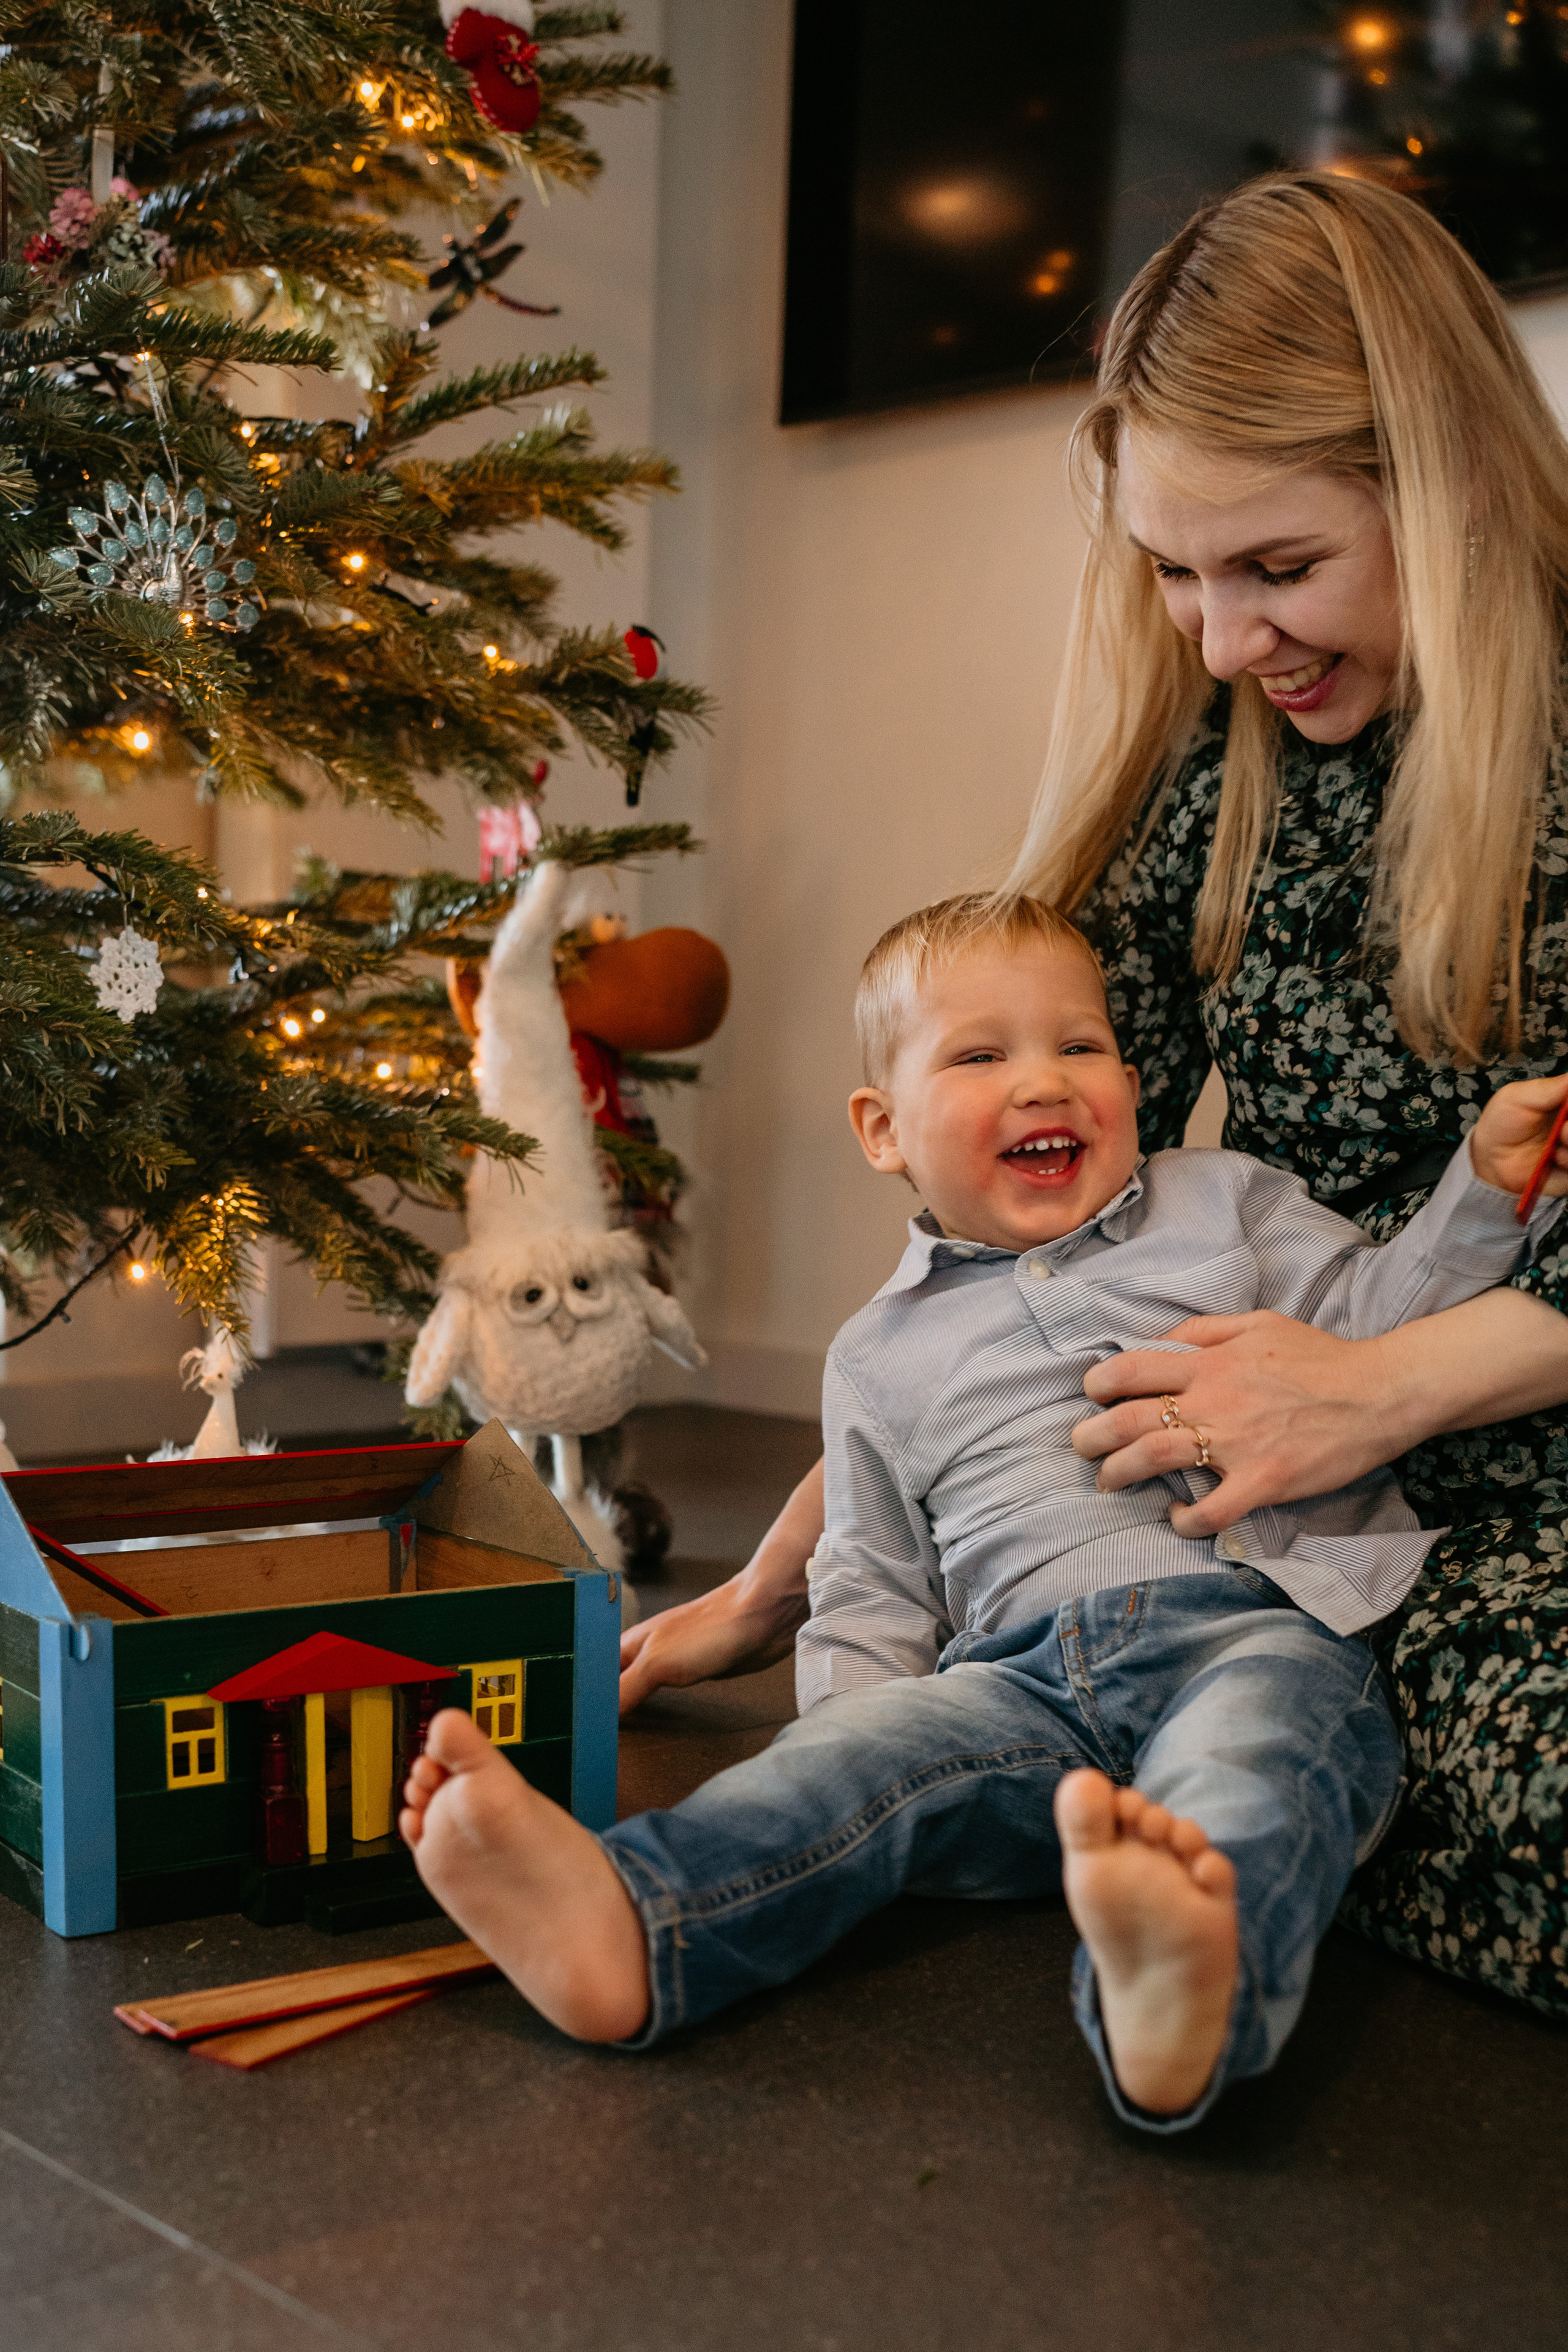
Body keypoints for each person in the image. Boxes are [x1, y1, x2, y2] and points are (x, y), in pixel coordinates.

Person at [618, 172, 1568, 2023]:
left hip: (1483, 1442)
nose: (1221, 640)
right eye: (1172, 572)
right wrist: (786, 1581)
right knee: (1242, 1712)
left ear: (1436, 491)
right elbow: (1009, 1248)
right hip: (1264, 1522)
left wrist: (1371, 1386)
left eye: (1278, 570)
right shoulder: (1218, 751)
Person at [401, 894, 1567, 2125]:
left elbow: (1385, 1311)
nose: (1041, 1084)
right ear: (880, 1127)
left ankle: (1174, 2004)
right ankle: (636, 1924)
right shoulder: (876, 1356)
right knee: (840, 1764)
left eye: (1078, 1046)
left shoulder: (1225, 1202)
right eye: (978, 1055)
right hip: (1011, 1686)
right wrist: (856, 1739)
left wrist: (1482, 1196)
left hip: (1260, 1627)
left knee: (1251, 1776)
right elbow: (868, 1581)